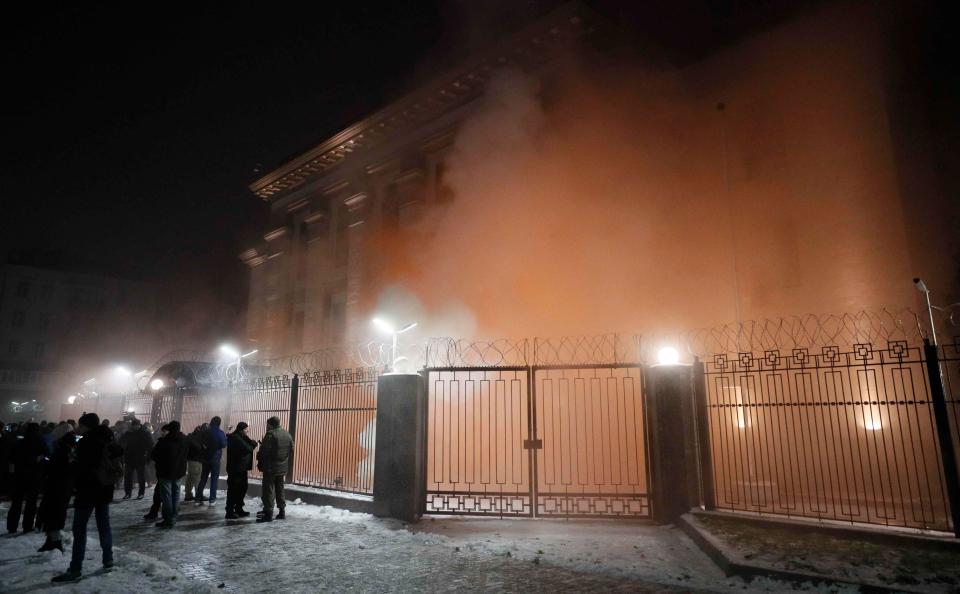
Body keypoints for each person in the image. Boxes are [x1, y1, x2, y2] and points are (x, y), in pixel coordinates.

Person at [52, 412, 123, 584]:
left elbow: (82, 467)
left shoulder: (87, 442)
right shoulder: (109, 438)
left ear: (87, 426)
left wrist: (72, 466)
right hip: (105, 489)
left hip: (88, 490)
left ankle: (75, 568)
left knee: (80, 529)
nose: (78, 428)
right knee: (104, 525)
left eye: (81, 425)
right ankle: (108, 560)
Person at [37, 424, 79, 552]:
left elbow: (57, 468)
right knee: (55, 512)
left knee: (53, 513)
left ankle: (54, 541)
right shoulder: (70, 448)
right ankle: (51, 540)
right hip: (64, 486)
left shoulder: (63, 449)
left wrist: (44, 462)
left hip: (58, 486)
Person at [150, 421, 198, 528]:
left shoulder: (163, 442)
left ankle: (168, 519)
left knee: (166, 496)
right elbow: (196, 448)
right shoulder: (184, 440)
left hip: (165, 472)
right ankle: (174, 516)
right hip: (179, 472)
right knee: (176, 495)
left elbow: (153, 455)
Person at [6, 422, 46, 533]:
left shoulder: (19, 443)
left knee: (16, 502)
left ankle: (12, 526)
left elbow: (11, 460)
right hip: (34, 477)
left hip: (19, 476)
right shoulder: (40, 443)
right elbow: (46, 457)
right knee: (31, 503)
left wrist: (12, 475)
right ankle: (27, 526)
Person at [256, 416, 294, 523]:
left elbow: (264, 452)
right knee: (280, 488)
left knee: (268, 490)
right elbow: (291, 449)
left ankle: (268, 514)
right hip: (282, 467)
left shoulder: (270, 435)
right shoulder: (287, 434)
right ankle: (282, 512)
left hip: (270, 467)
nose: (267, 427)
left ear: (271, 424)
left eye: (267, 425)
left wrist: (260, 459)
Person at [225, 422, 257, 519]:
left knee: (242, 489)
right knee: (233, 490)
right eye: (246, 429)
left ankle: (239, 508)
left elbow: (248, 445)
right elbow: (247, 448)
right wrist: (253, 444)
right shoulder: (235, 438)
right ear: (241, 430)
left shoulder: (240, 437)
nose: (248, 431)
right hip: (236, 469)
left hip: (241, 468)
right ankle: (230, 511)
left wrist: (249, 440)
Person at [195, 416, 227, 505]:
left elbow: (200, 442)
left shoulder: (205, 432)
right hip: (215, 458)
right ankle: (212, 500)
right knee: (214, 480)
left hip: (205, 458)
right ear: (219, 423)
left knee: (203, 478)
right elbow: (224, 444)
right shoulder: (220, 433)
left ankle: (197, 498)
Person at [120, 419, 153, 500]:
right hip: (130, 458)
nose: (134, 427)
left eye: (136, 425)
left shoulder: (145, 433)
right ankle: (128, 493)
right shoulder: (128, 433)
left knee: (141, 477)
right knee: (128, 477)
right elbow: (121, 442)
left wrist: (147, 457)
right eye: (133, 425)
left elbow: (150, 445)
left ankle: (141, 493)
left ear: (139, 425)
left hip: (140, 458)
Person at [183, 424, 205, 501]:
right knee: (197, 478)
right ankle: (198, 495)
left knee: (190, 478)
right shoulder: (197, 439)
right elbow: (199, 448)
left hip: (190, 460)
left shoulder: (190, 437)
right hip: (196, 460)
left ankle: (188, 494)